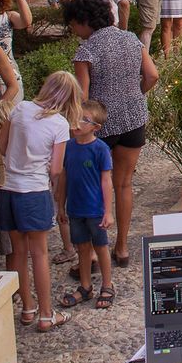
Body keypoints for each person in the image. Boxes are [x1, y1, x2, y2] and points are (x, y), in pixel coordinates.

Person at [66, 0, 158, 267]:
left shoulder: (87, 50)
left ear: (84, 21)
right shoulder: (131, 39)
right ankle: (122, 248)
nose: (73, 30)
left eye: (73, 24)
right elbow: (152, 75)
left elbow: (83, 98)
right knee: (124, 184)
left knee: (94, 186)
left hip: (99, 125)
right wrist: (136, 95)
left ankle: (94, 252)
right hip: (133, 119)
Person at [0, 70, 75, 332]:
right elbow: (55, 169)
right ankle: (46, 313)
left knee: (18, 252)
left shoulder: (20, 109)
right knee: (39, 253)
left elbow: (2, 145)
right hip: (34, 190)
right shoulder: (60, 125)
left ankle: (27, 308)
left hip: (8, 189)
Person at [56, 99, 115, 310]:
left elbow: (106, 180)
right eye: (76, 115)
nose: (78, 122)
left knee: (101, 247)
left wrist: (108, 211)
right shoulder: (68, 147)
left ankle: (107, 285)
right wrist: (60, 206)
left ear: (95, 127)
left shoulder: (100, 149)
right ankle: (85, 286)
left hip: (95, 210)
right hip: (75, 209)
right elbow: (63, 177)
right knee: (81, 247)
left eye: (84, 119)